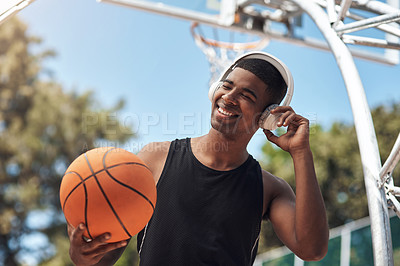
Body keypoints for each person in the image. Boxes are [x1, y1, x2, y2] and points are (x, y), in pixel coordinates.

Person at [67, 52, 329, 265]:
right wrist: (83, 255)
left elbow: (312, 249)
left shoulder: (269, 189)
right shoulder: (155, 158)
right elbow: (104, 256)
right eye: (226, 86)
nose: (229, 97)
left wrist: (301, 153)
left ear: (267, 117)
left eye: (246, 96)